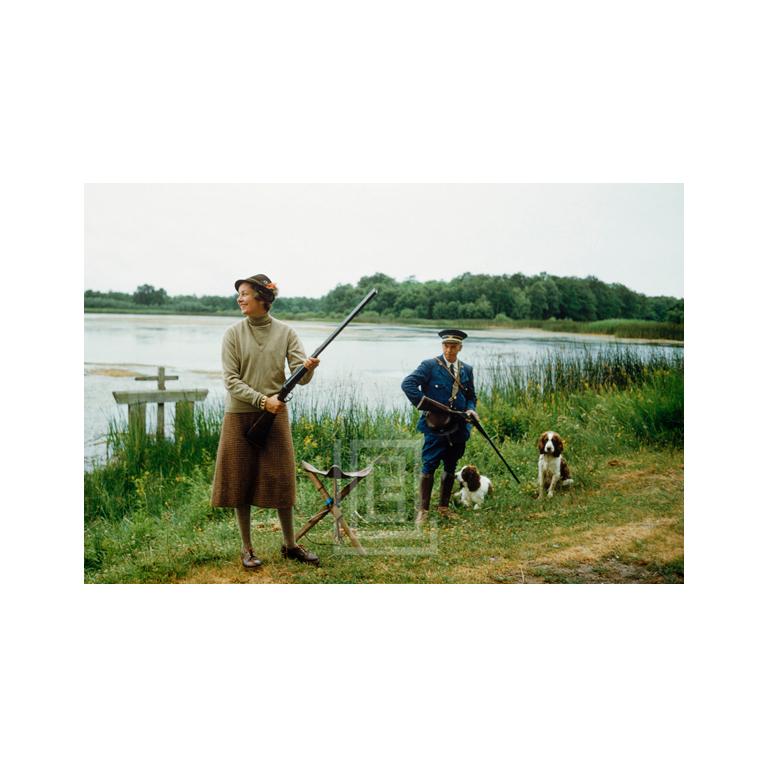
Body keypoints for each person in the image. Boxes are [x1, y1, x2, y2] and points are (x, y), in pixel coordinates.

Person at [211, 273, 321, 568]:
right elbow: (231, 381)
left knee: (283, 480)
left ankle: (290, 545)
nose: (239, 299)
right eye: (239, 294)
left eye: (245, 293)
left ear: (262, 297)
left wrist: (308, 368)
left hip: (275, 417)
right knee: (239, 481)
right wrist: (262, 400)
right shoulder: (233, 333)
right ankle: (247, 548)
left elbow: (303, 377)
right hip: (239, 415)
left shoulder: (286, 332)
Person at [401, 329, 478, 527]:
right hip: (435, 427)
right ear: (442, 346)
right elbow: (408, 384)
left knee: (451, 467)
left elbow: (471, 396)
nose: (449, 349)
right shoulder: (430, 366)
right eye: (446, 345)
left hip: (459, 427)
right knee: (429, 467)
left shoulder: (466, 369)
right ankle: (423, 511)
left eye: (454, 346)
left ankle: (443, 508)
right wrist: (428, 406)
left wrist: (471, 410)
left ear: (460, 348)